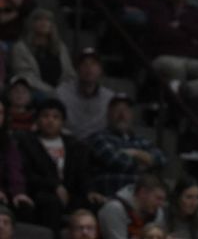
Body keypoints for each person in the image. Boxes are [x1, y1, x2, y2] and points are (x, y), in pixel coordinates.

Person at [17, 98, 100, 233]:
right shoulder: (27, 143)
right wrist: (54, 186)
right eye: (45, 116)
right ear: (37, 120)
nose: (50, 120)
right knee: (50, 202)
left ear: (62, 122)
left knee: (93, 203)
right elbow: (26, 173)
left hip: (70, 193)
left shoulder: (74, 145)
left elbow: (83, 172)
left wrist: (90, 190)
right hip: (40, 192)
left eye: (56, 117)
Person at [88, 94, 167, 197]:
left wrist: (135, 153)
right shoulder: (99, 138)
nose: (122, 115)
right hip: (111, 197)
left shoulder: (141, 140)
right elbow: (117, 161)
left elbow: (162, 159)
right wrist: (146, 161)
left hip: (141, 199)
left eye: (126, 110)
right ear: (108, 114)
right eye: (117, 110)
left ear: (131, 114)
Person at [10, 8, 76, 96]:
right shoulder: (20, 48)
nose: (44, 23)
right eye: (39, 19)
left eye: (48, 20)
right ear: (31, 24)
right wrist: (52, 92)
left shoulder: (60, 47)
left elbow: (69, 73)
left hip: (62, 92)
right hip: (34, 92)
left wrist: (63, 90)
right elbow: (25, 76)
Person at [56, 48, 115, 140]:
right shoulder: (62, 93)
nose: (89, 68)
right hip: (69, 142)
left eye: (93, 64)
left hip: (99, 144)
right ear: (77, 69)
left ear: (100, 70)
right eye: (84, 64)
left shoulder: (109, 98)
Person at [97, 174, 167, 239]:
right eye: (158, 198)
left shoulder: (157, 212)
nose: (161, 204)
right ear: (143, 193)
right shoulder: (114, 208)